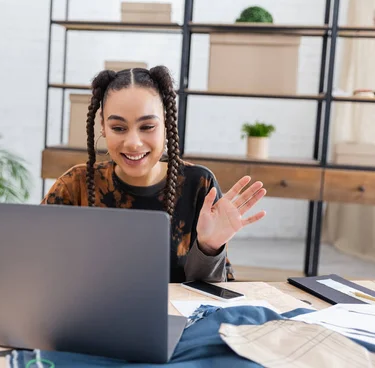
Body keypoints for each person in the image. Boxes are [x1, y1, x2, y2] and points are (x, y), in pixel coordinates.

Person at [42, 66, 267, 283]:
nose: (133, 143)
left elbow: (209, 298)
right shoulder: (75, 185)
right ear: (102, 126)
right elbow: (38, 267)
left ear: (167, 123)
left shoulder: (198, 184)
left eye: (147, 126)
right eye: (118, 128)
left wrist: (209, 248)